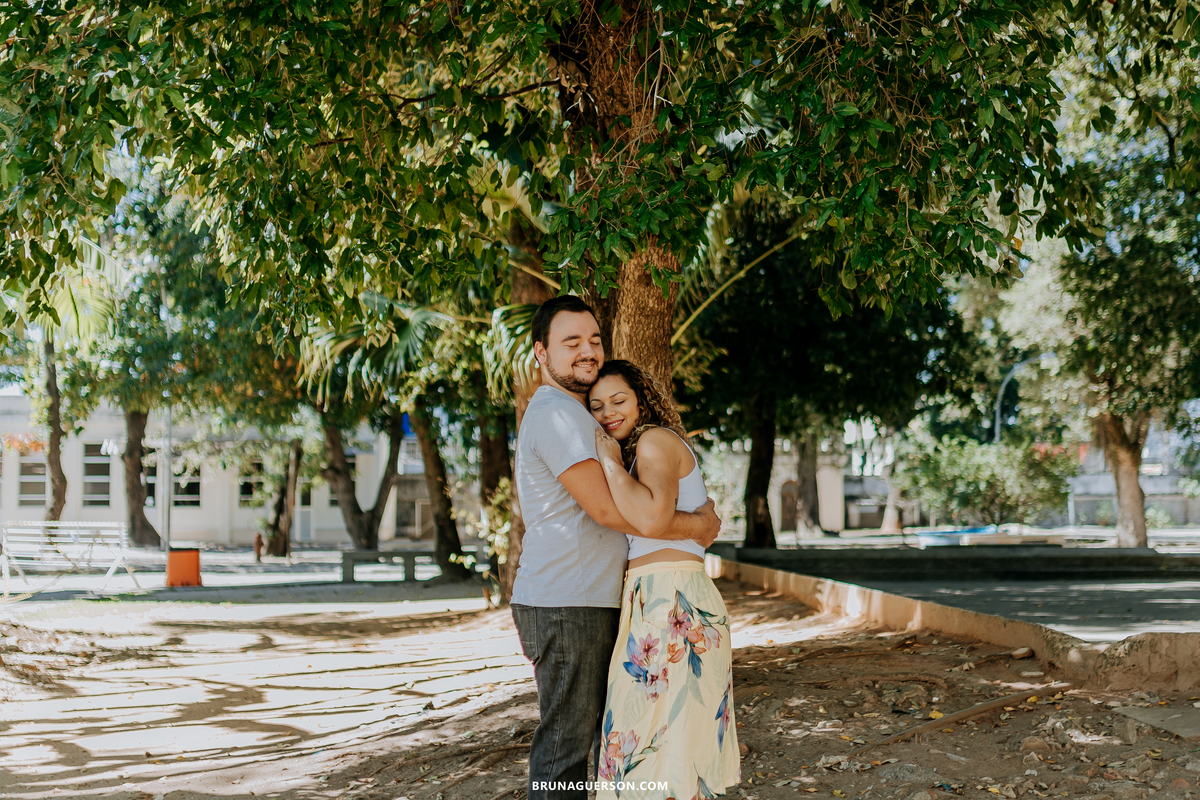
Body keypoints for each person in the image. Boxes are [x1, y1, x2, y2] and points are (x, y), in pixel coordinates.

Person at [512, 296, 722, 800]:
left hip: (592, 599)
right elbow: (608, 511)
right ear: (541, 352)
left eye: (594, 340)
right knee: (564, 750)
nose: (587, 351)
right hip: (568, 601)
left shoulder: (579, 412)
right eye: (571, 343)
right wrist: (698, 524)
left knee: (606, 745)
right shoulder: (558, 415)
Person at [589, 360, 740, 800]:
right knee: (651, 746)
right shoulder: (643, 449)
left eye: (619, 401)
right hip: (656, 599)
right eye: (597, 406)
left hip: (672, 601)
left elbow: (653, 517)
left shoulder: (655, 441)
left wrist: (609, 463)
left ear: (642, 399)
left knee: (666, 748)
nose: (608, 412)